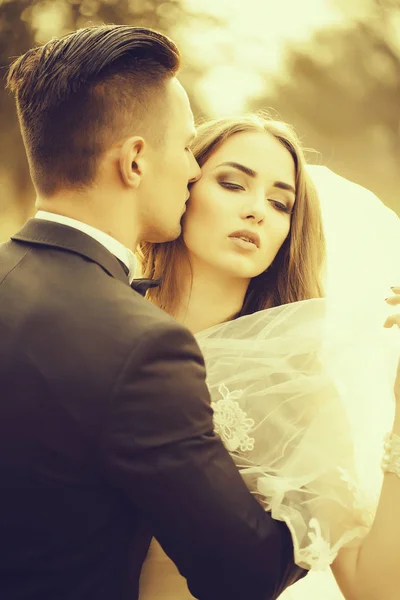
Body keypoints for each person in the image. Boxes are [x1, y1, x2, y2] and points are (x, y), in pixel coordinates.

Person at [0, 27, 306, 600]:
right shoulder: (142, 346)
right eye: (187, 148)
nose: (192, 170)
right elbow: (245, 574)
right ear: (136, 160)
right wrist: (322, 513)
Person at [138, 114, 400, 600]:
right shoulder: (105, 322)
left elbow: (374, 587)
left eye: (280, 203)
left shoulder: (296, 385)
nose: (257, 210)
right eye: (233, 184)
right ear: (183, 189)